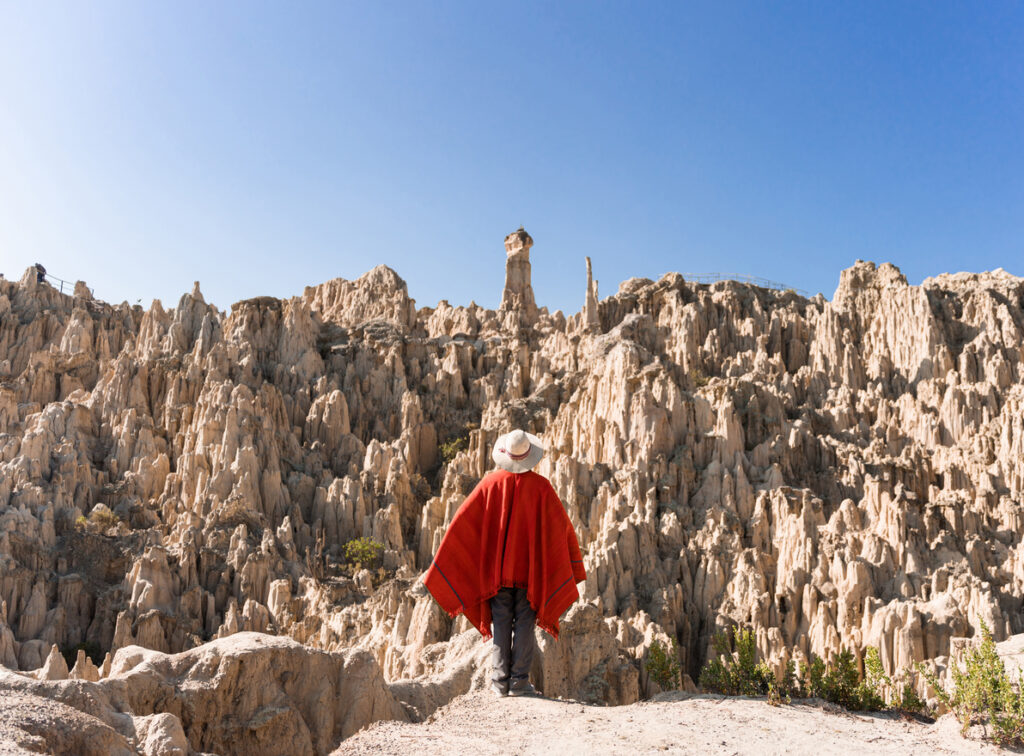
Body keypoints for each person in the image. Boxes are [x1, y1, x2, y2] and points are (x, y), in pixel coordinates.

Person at [423, 429, 586, 697]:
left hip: (498, 574)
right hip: (530, 573)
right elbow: (561, 530)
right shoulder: (542, 488)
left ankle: (499, 682)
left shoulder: (490, 484)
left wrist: (449, 559)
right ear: (530, 457)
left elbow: (463, 523)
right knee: (524, 622)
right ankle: (520, 683)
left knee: (501, 621)